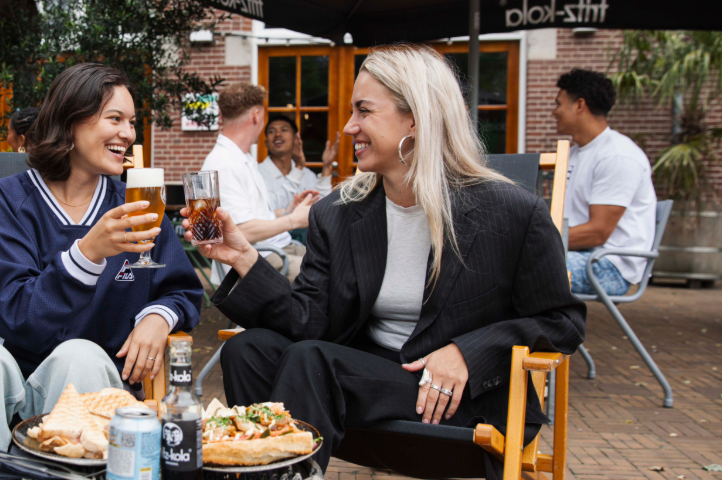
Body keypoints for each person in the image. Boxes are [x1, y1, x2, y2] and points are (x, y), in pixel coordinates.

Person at [186, 45, 585, 480]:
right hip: (368, 380)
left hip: (460, 400)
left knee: (312, 360)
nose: (348, 126)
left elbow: (562, 321)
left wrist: (468, 353)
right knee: (248, 349)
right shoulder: (338, 213)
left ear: (416, 117)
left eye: (364, 111)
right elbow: (311, 322)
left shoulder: (510, 211)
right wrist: (244, 256)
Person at [0, 64, 203, 480]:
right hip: (0, 380)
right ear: (70, 122)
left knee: (80, 354)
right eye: (115, 119)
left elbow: (181, 288)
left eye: (131, 123)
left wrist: (159, 317)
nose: (129, 134)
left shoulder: (137, 208)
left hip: (88, 380)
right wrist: (87, 253)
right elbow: (12, 313)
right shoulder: (8, 199)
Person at [553, 68, 657, 296]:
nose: (554, 111)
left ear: (579, 105)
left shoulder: (617, 155)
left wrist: (537, 240)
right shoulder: (575, 154)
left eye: (559, 104)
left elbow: (598, 233)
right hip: (577, 253)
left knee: (520, 269)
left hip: (607, 265)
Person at [200, 83, 316, 283]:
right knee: (333, 277)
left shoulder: (239, 158)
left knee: (336, 260)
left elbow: (250, 215)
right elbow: (240, 230)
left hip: (275, 250)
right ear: (255, 115)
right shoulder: (225, 164)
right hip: (260, 261)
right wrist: (294, 220)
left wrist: (288, 211)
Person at [259, 113, 338, 212]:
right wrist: (298, 168)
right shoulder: (257, 172)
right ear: (266, 143)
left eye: (284, 130)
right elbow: (270, 209)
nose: (278, 134)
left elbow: (322, 205)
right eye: (272, 131)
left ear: (295, 139)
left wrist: (327, 167)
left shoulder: (307, 174)